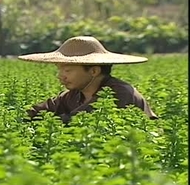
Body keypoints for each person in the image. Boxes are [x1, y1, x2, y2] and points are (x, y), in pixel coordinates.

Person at [18, 36, 158, 123]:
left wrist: (48, 123)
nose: (60, 75)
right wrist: (20, 118)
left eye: (67, 70)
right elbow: (44, 109)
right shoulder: (74, 94)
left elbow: (80, 120)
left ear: (94, 71)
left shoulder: (119, 93)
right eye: (59, 70)